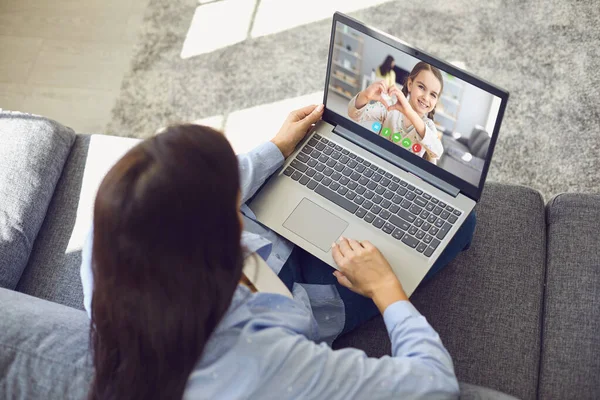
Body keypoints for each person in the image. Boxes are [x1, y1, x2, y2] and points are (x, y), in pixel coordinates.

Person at [81, 104, 475, 399]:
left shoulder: (114, 230)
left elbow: (194, 187)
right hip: (307, 298)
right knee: (462, 222)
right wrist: (387, 288)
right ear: (223, 237)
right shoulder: (262, 364)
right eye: (229, 203)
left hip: (259, 268)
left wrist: (276, 148)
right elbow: (434, 387)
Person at [349, 61, 444, 164]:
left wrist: (409, 112)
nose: (426, 97)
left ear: (436, 101)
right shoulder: (390, 106)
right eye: (421, 87)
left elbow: (437, 152)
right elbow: (354, 114)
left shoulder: (428, 126)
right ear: (410, 84)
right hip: (376, 163)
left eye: (433, 95)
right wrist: (365, 95)